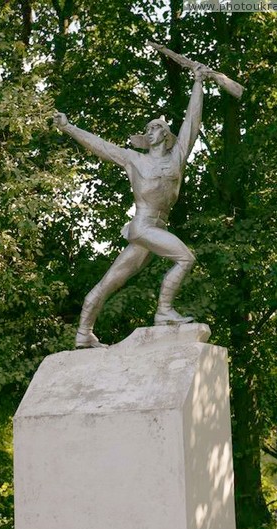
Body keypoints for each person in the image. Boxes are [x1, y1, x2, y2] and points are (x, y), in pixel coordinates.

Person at [54, 65, 209, 348]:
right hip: (143, 226)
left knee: (112, 280)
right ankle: (163, 312)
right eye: (147, 129)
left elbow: (192, 122)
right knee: (185, 258)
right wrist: (68, 127)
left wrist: (198, 81)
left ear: (166, 134)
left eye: (155, 127)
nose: (150, 131)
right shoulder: (134, 160)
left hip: (154, 232)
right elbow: (99, 145)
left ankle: (83, 333)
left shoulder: (177, 158)